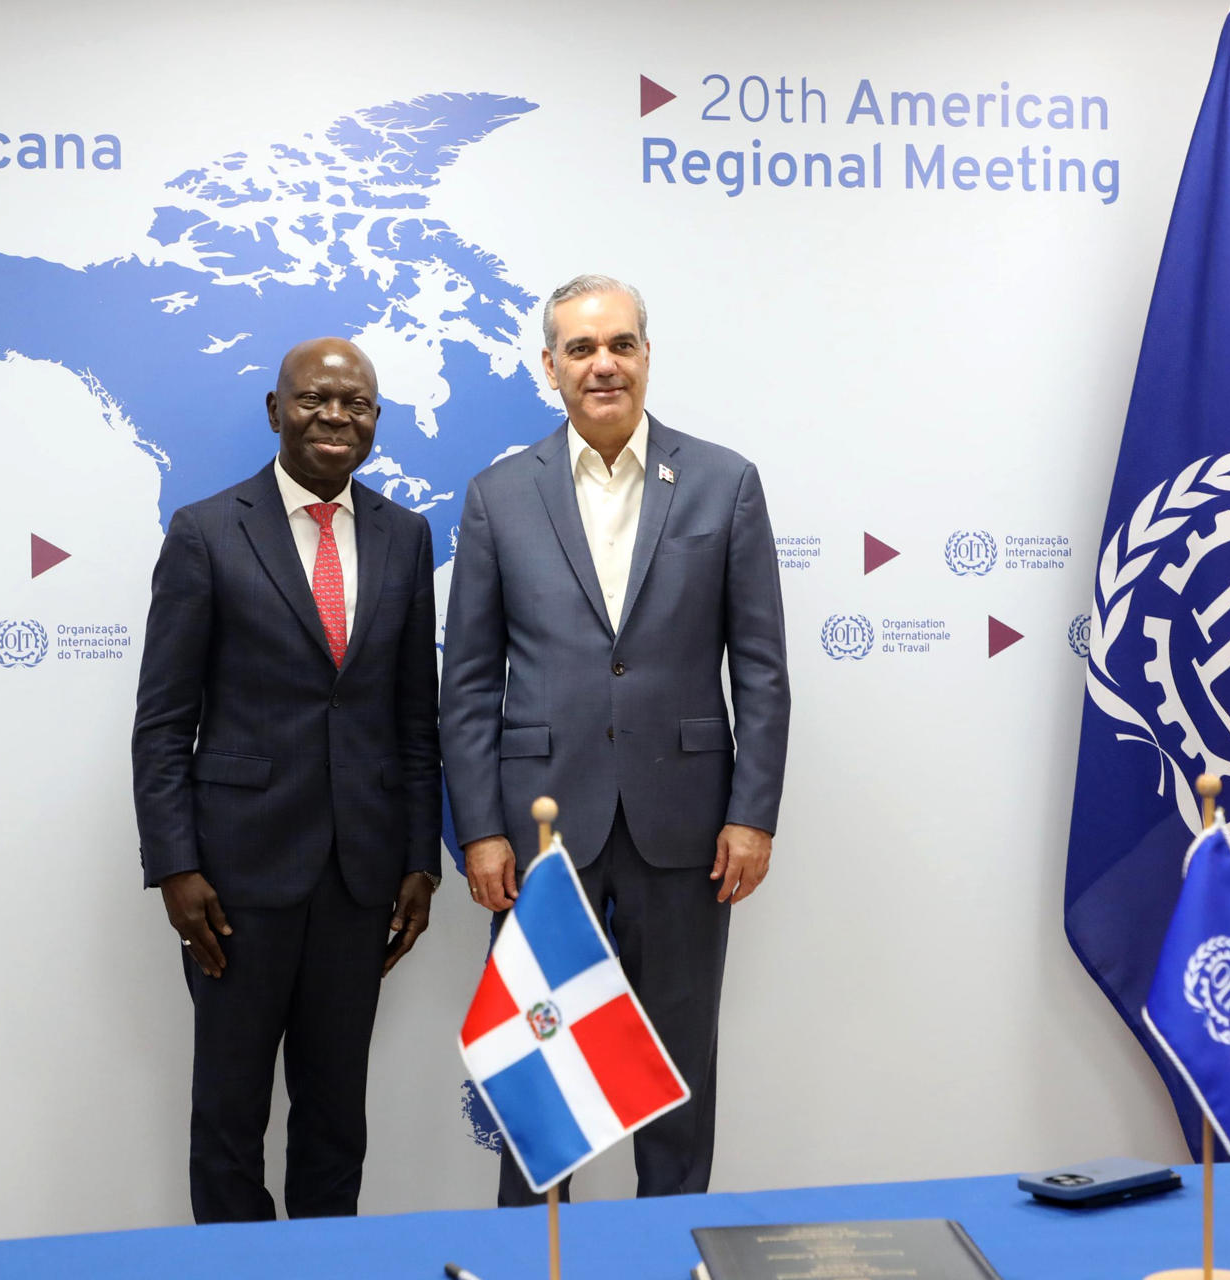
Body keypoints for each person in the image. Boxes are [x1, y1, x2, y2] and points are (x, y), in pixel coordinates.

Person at [440, 274, 790, 1204]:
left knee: (676, 1078)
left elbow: (760, 669)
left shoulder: (724, 482)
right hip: (541, 837)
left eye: (621, 344)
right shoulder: (498, 495)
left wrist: (752, 815)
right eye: (582, 348)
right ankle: (532, 1261)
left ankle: (666, 1254)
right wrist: (479, 831)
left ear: (646, 355)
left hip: (686, 833)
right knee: (541, 1091)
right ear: (549, 366)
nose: (604, 364)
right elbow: (467, 682)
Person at [132, 337, 441, 1223]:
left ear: (375, 420)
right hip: (235, 884)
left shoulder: (405, 536)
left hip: (359, 879)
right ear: (276, 410)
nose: (335, 417)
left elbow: (413, 718)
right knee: (230, 1118)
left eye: (357, 403)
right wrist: (175, 866)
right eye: (313, 399)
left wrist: (421, 859)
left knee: (336, 1118)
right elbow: (163, 722)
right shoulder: (205, 532)